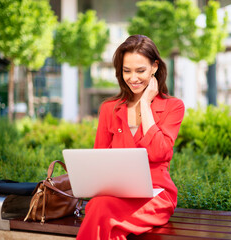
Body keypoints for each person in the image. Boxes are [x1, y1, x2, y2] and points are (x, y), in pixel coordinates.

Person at [76, 35, 185, 240]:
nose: (133, 78)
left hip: (157, 196)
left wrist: (145, 104)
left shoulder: (173, 106)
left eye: (140, 70)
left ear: (154, 67)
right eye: (127, 71)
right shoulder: (109, 109)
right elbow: (100, 159)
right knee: (101, 210)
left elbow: (160, 151)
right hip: (116, 196)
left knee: (100, 212)